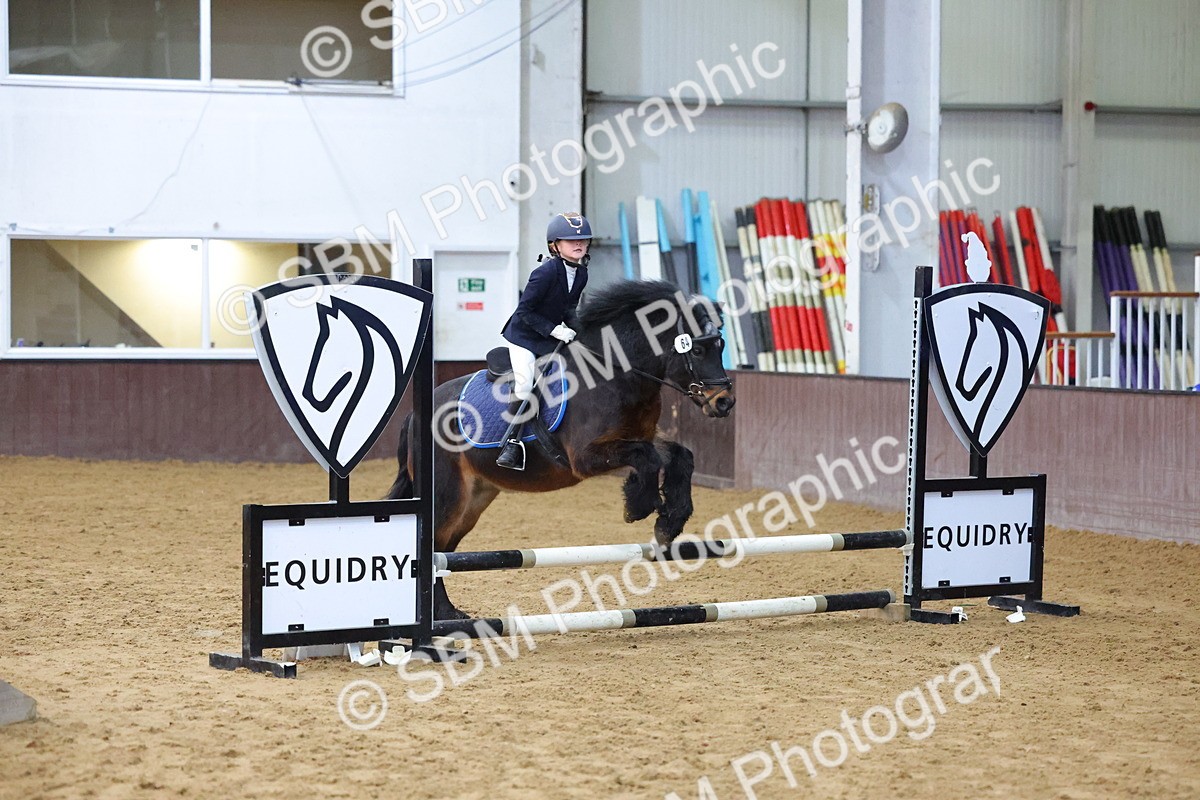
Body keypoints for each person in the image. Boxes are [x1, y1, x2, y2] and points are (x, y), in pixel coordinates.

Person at [495, 212, 591, 469]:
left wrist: (581, 332)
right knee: (526, 385)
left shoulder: (581, 274)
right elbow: (525, 312)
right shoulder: (545, 273)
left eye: (583, 240)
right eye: (571, 241)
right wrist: (554, 330)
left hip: (550, 336)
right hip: (524, 337)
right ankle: (511, 444)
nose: (579, 244)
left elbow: (570, 309)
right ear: (555, 245)